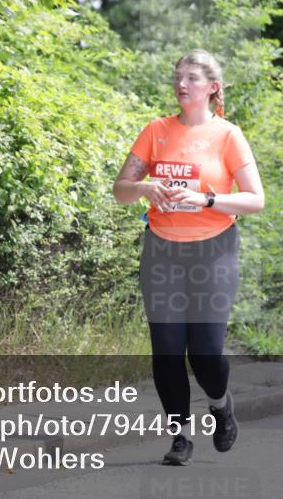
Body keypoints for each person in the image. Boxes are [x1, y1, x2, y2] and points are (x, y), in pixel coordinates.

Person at [112, 49, 265, 465]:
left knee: (206, 352)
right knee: (165, 349)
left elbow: (256, 199)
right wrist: (144, 189)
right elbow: (120, 189)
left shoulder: (228, 135)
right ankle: (179, 436)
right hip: (161, 249)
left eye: (193, 78)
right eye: (178, 77)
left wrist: (206, 198)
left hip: (214, 250)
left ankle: (220, 405)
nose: (182, 85)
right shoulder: (156, 131)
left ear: (212, 88)